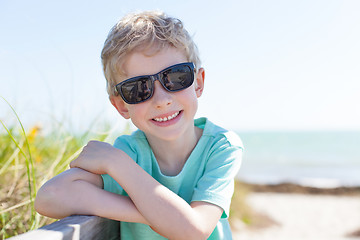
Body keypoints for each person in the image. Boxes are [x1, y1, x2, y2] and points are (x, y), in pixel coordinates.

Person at [35, 10, 243, 240]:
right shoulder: (130, 153)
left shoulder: (221, 147)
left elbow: (194, 231)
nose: (162, 100)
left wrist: (117, 164)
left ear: (198, 83)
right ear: (121, 106)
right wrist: (158, 215)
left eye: (175, 77)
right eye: (138, 88)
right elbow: (50, 196)